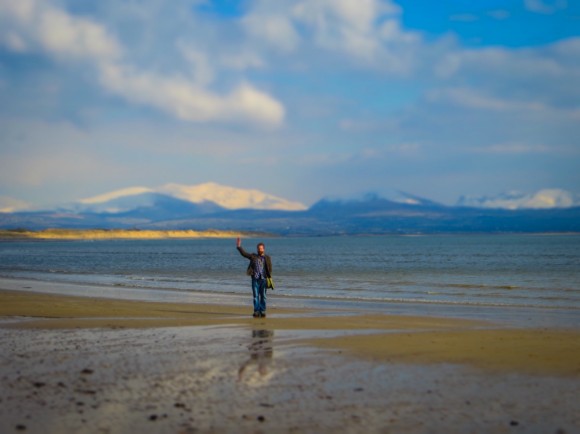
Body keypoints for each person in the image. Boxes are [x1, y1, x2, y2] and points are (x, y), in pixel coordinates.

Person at [236, 237, 272, 318]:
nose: (260, 250)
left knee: (263, 296)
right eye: (258, 249)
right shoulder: (253, 256)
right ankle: (256, 311)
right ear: (257, 249)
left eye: (261, 249)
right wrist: (239, 246)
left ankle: (262, 311)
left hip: (264, 280)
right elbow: (244, 254)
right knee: (255, 296)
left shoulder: (267, 258)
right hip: (255, 280)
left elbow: (270, 268)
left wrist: (269, 278)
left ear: (264, 249)